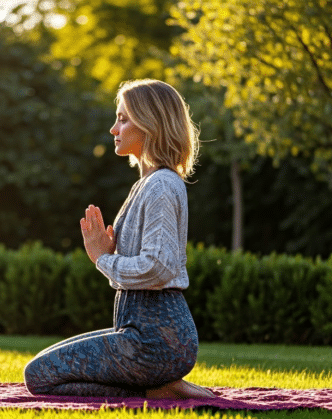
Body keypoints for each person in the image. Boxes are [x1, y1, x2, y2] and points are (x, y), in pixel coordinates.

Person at [24, 79, 214, 399]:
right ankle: (160, 385)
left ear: (150, 124)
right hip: (143, 335)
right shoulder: (148, 183)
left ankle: (159, 384)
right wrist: (114, 252)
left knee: (39, 376)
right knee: (43, 365)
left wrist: (103, 258)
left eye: (123, 119)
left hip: (155, 341)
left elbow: (159, 267)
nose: (114, 129)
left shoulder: (162, 185)